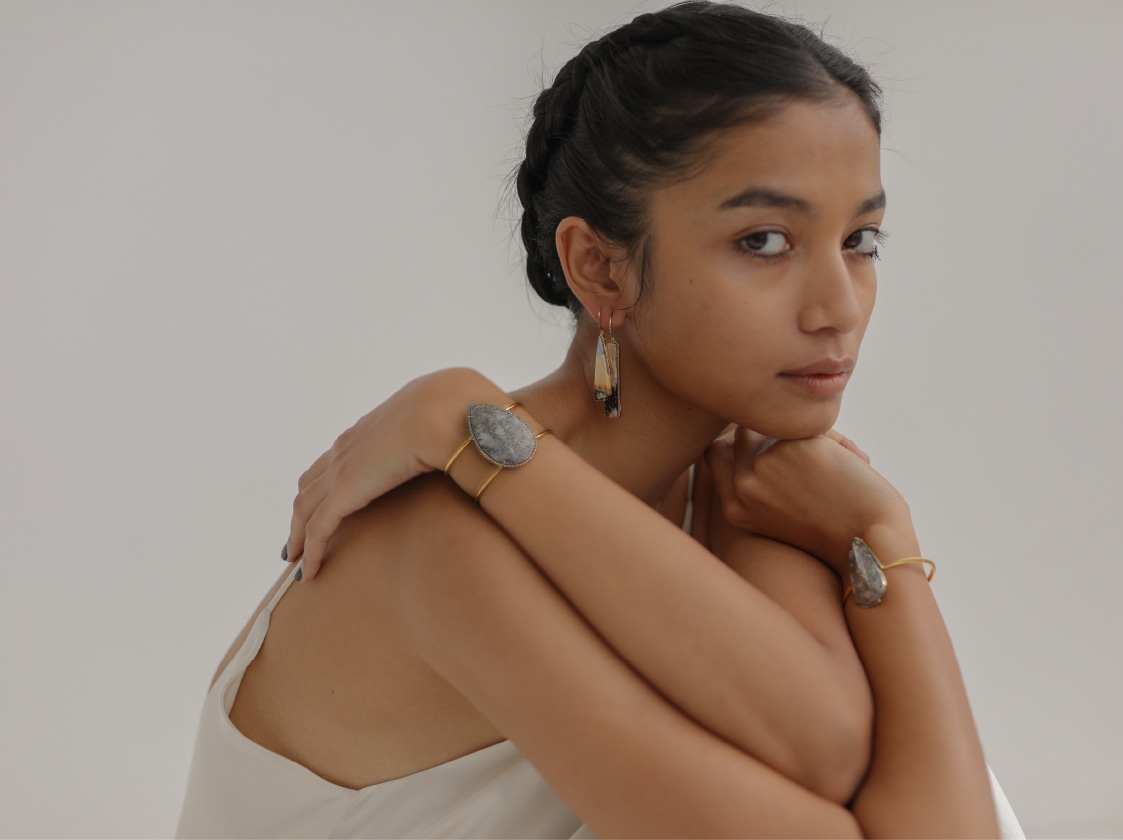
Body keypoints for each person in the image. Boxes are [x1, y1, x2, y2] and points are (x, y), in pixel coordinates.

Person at [177, 3, 1024, 837]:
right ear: (600, 269)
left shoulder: (754, 484)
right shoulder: (429, 533)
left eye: (860, 241)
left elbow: (897, 795)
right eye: (764, 241)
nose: (838, 308)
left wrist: (882, 532)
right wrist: (473, 430)